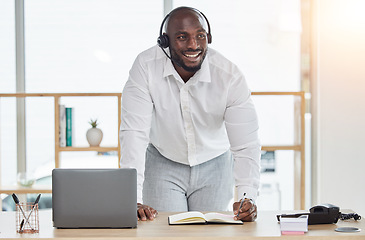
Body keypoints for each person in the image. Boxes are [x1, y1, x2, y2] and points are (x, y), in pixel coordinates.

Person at [120, 6, 261, 222]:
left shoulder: (229, 76)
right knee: (166, 232)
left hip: (215, 163)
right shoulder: (145, 67)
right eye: (182, 37)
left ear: (208, 38)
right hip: (163, 161)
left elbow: (246, 144)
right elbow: (134, 133)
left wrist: (247, 197)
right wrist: (131, 198)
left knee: (209, 234)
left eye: (200, 36)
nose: (193, 45)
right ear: (164, 42)